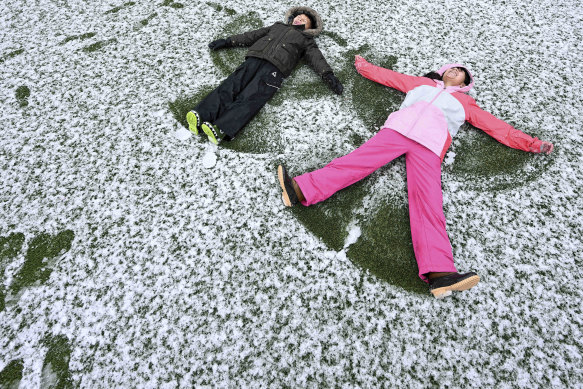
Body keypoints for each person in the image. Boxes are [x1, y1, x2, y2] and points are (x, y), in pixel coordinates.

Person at [277, 55, 554, 299]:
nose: (456, 73)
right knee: (355, 163)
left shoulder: (467, 104)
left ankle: (440, 273)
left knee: (428, 202)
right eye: (453, 69)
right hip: (397, 131)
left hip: (430, 145)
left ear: (465, 82)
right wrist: (363, 66)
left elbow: (497, 128)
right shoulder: (420, 84)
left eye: (462, 73)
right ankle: (299, 190)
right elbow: (389, 77)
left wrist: (531, 143)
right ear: (444, 71)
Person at [186, 6, 343, 144]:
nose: (299, 19)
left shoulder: (306, 40)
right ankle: (201, 114)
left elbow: (316, 58)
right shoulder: (277, 26)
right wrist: (228, 41)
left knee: (250, 97)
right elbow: (252, 36)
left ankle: (222, 128)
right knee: (230, 86)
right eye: (298, 17)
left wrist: (328, 75)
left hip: (274, 71)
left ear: (310, 27)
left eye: (304, 20)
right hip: (254, 60)